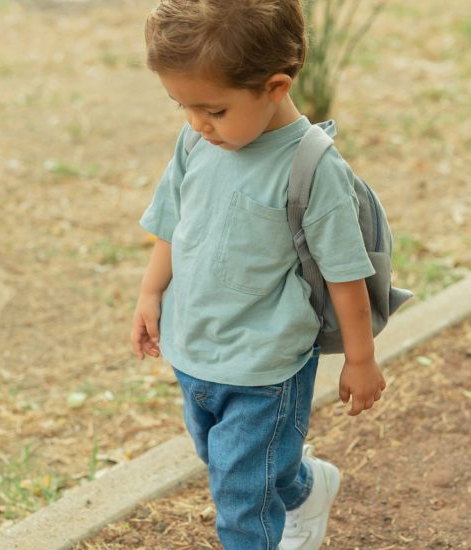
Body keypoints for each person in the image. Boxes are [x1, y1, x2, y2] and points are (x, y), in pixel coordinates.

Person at [131, 1, 386, 548]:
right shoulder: (197, 140)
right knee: (224, 458)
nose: (198, 122)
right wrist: (152, 292)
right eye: (184, 106)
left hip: (266, 367)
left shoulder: (312, 169)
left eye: (214, 110)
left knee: (240, 497)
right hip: (197, 348)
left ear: (274, 86)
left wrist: (360, 360)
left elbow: (346, 277)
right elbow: (174, 219)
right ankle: (304, 485)